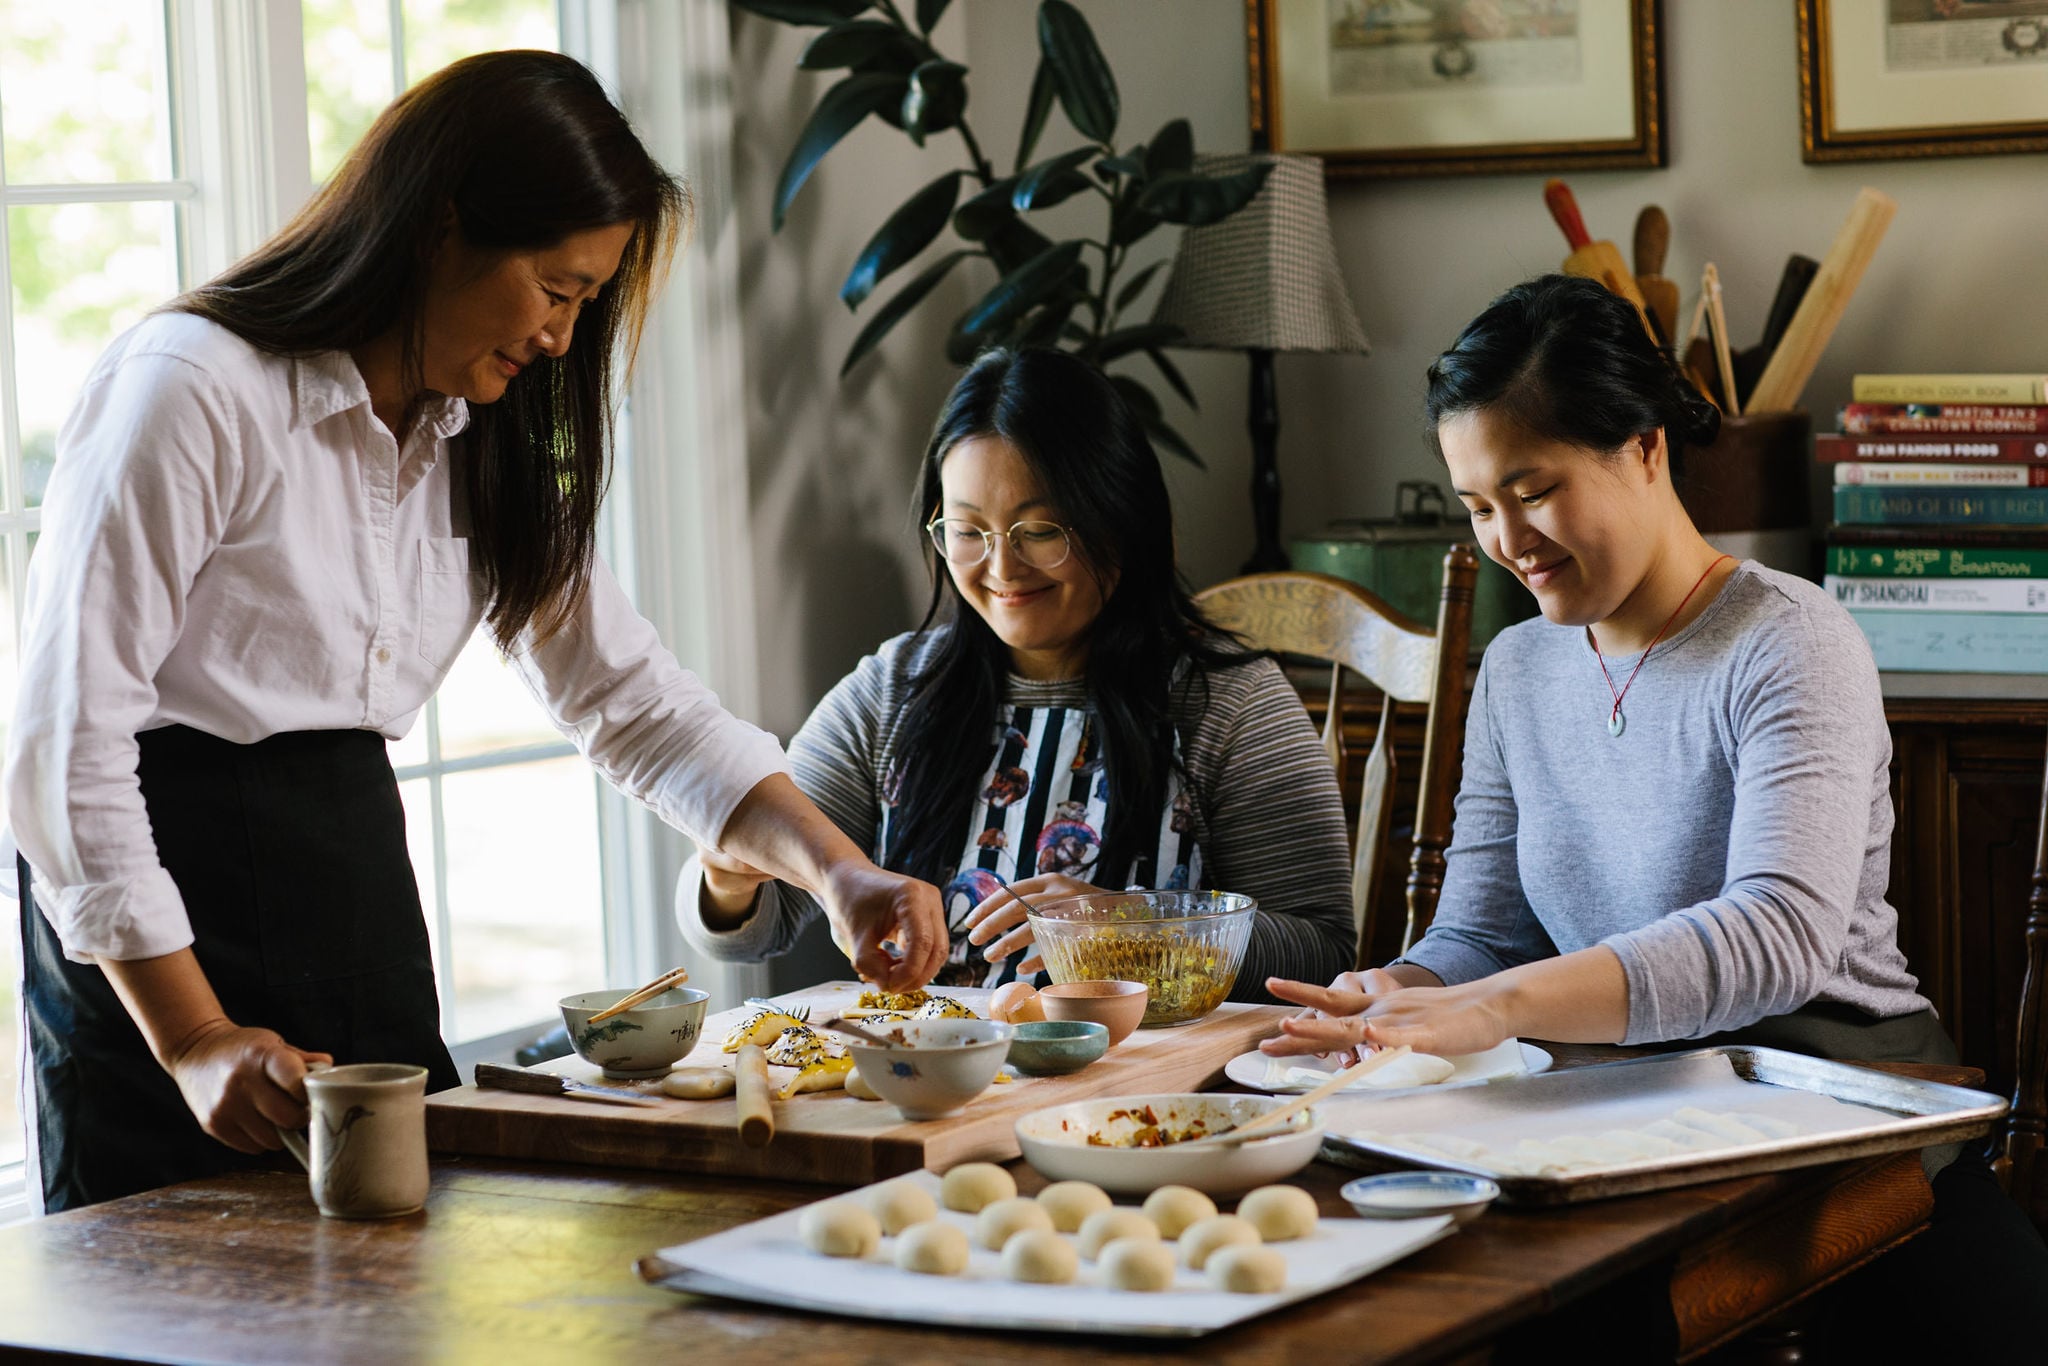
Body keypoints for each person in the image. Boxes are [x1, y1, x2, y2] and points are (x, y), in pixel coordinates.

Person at [5, 50, 943, 1215]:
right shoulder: (195, 386)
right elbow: (64, 748)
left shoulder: (486, 430)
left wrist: (842, 873)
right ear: (440, 225)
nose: (561, 337)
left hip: (351, 903)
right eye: (554, 289)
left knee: (391, 1284)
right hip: (153, 953)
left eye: (587, 303)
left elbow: (636, 704)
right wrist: (192, 1034)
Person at [1261, 273, 2047, 1360]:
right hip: (1621, 1100)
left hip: (1837, 1093)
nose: (1507, 539)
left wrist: (1494, 1008)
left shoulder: (1789, 641)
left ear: (1643, 447)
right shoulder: (1517, 669)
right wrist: (1403, 990)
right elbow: (1482, 931)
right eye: (1477, 506)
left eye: (1532, 490)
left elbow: (1777, 935)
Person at [677, 347, 1354, 993]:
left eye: (1041, 531)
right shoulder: (887, 695)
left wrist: (1134, 928)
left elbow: (1324, 951)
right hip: (933, 1068)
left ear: (1120, 519)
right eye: (968, 532)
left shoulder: (1230, 703)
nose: (1002, 568)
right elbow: (756, 929)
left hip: (1153, 1076)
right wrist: (727, 876)